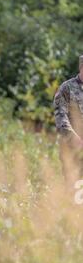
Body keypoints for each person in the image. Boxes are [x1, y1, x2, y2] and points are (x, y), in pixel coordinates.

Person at [54, 55, 83, 187]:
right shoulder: (67, 88)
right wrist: (73, 138)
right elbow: (60, 116)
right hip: (72, 148)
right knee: (74, 187)